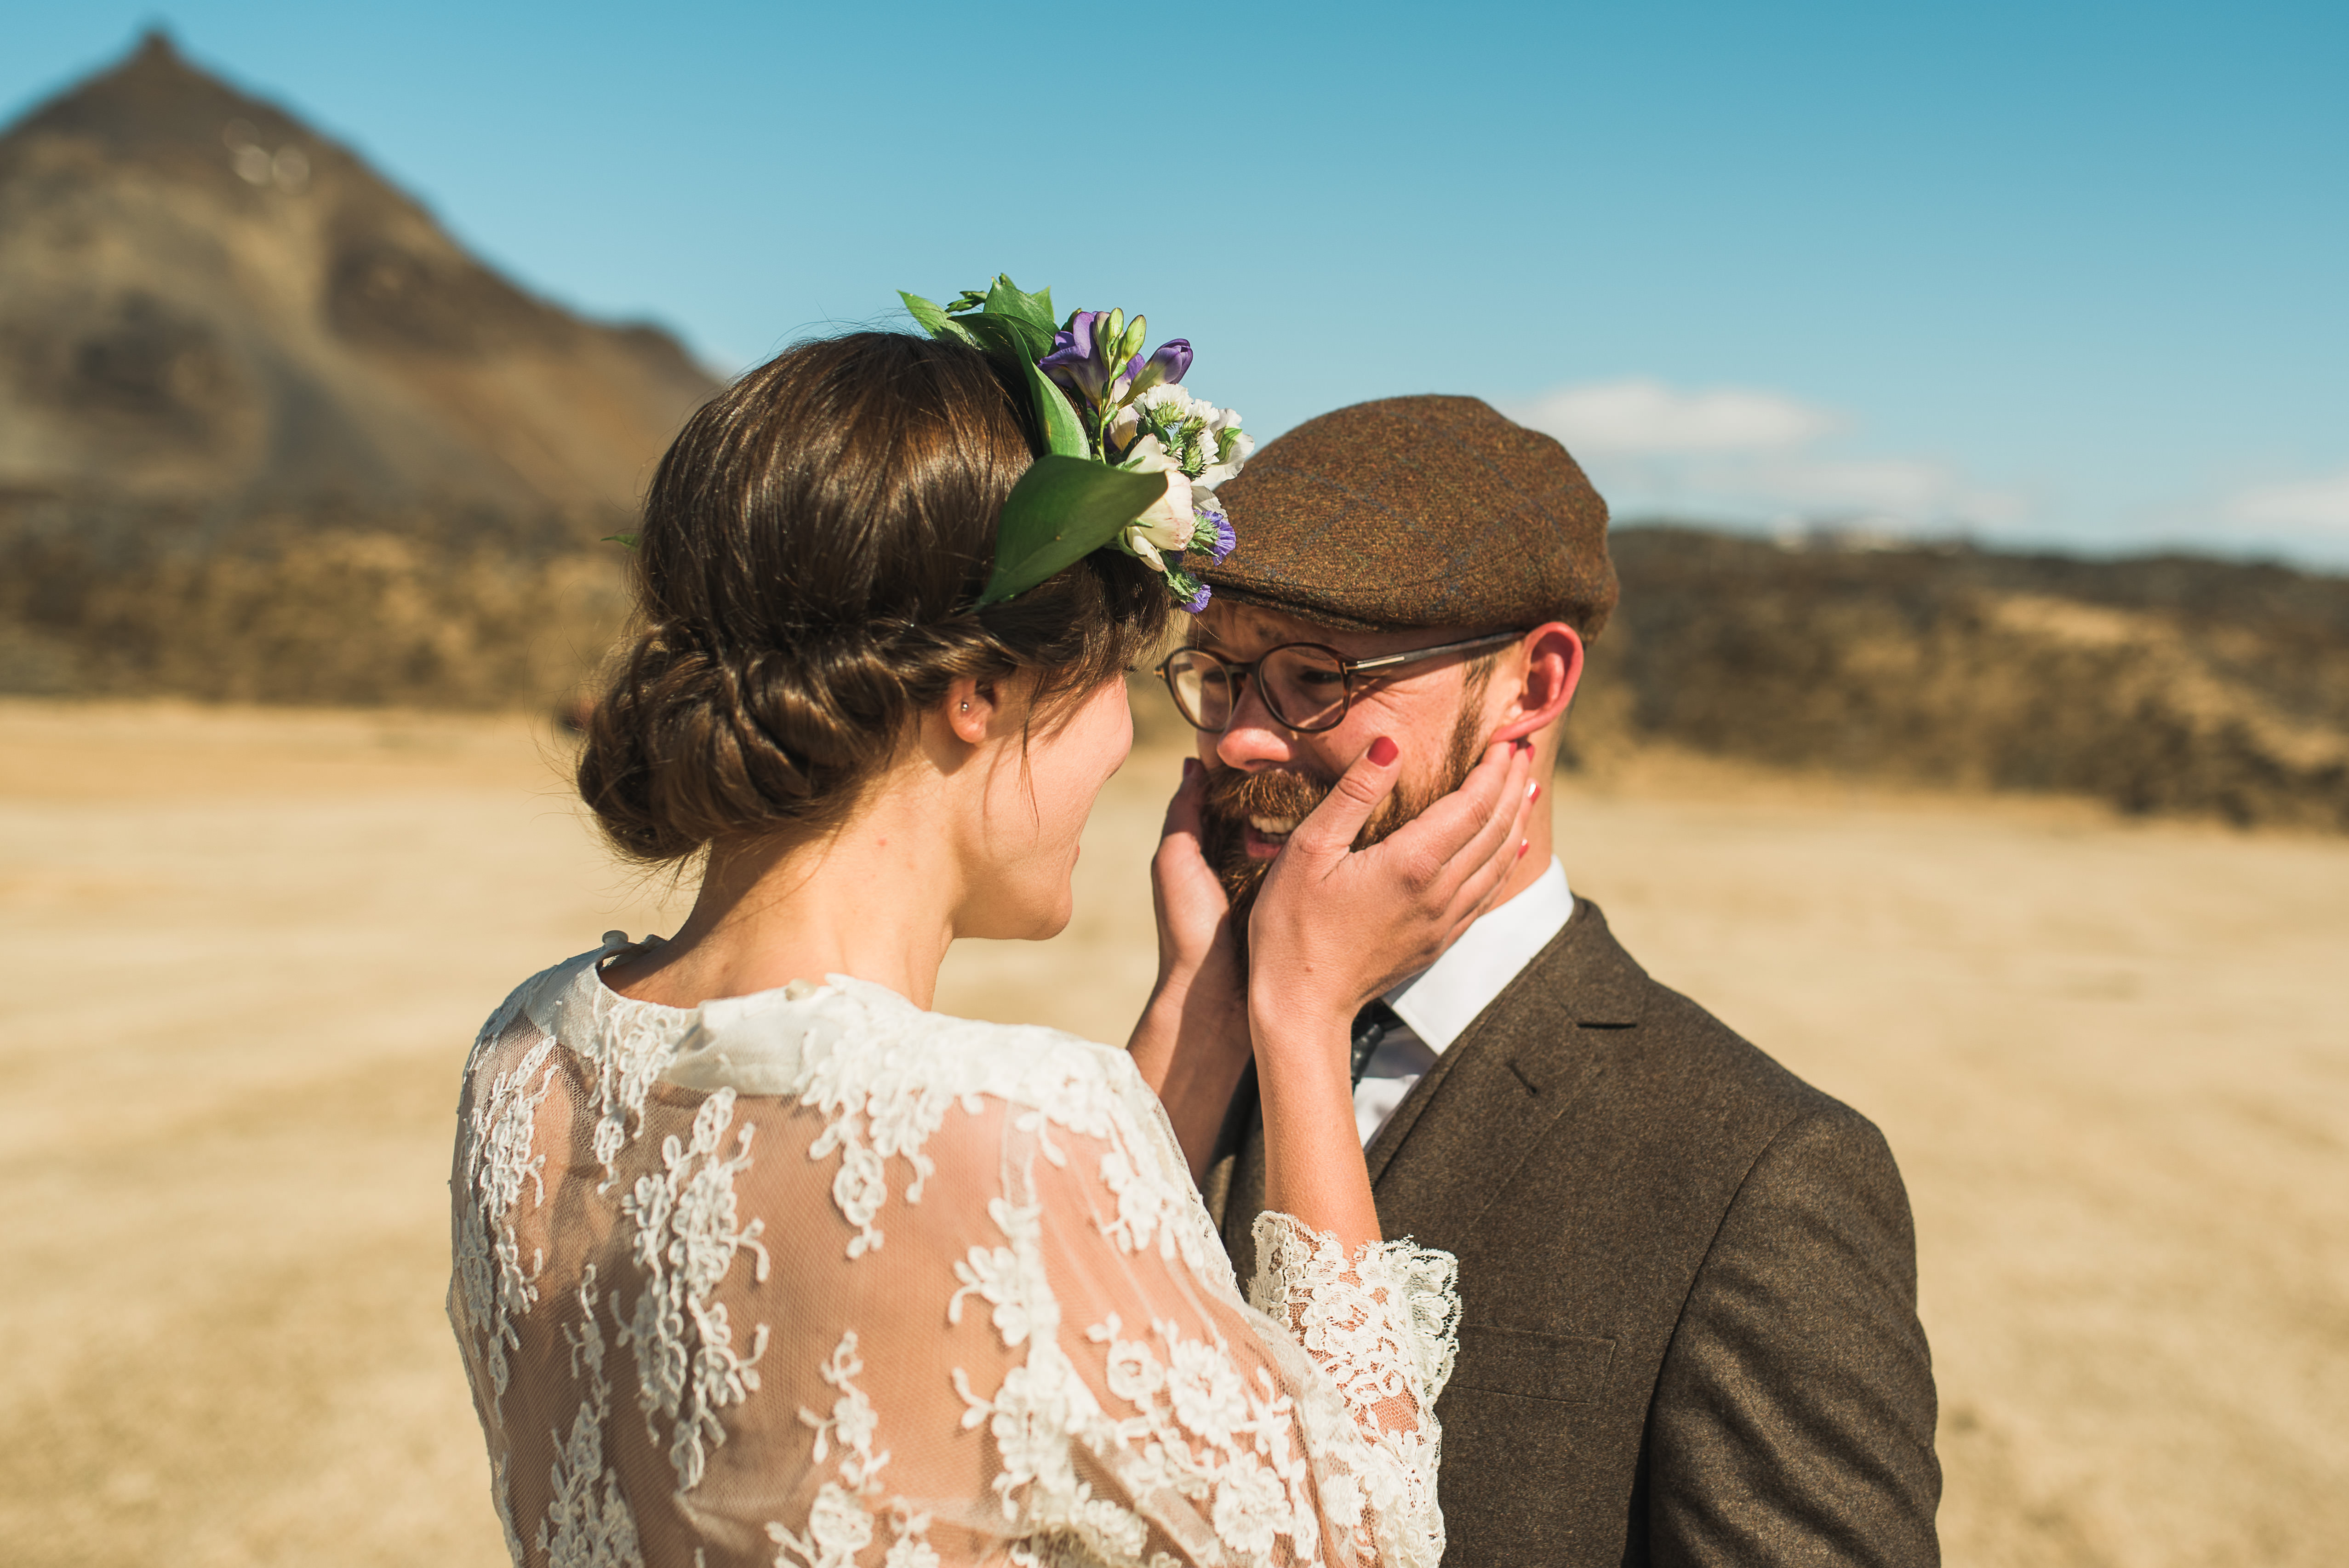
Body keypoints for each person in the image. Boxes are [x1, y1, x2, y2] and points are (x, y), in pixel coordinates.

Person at [447, 314, 1540, 1568]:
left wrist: (1198, 993)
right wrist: (1299, 1008)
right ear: (979, 696)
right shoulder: (1010, 1123)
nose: (1131, 750)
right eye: (1117, 685)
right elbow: (1368, 1544)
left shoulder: (524, 1061)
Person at [1148, 395, 1942, 1567]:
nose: (1237, 741)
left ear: (1533, 683)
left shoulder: (1761, 1172)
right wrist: (1212, 1013)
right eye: (1218, 676)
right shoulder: (1198, 1044)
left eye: (1312, 676)